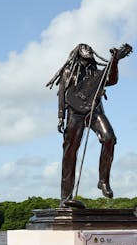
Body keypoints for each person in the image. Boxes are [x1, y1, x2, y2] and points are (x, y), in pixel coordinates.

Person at [46, 43, 131, 207]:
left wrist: (115, 60)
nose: (88, 49)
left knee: (109, 138)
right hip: (74, 112)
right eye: (84, 47)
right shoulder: (68, 72)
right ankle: (66, 197)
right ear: (77, 52)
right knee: (70, 152)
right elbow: (62, 93)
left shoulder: (97, 73)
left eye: (89, 48)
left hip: (94, 111)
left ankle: (103, 180)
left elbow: (111, 80)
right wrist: (60, 116)